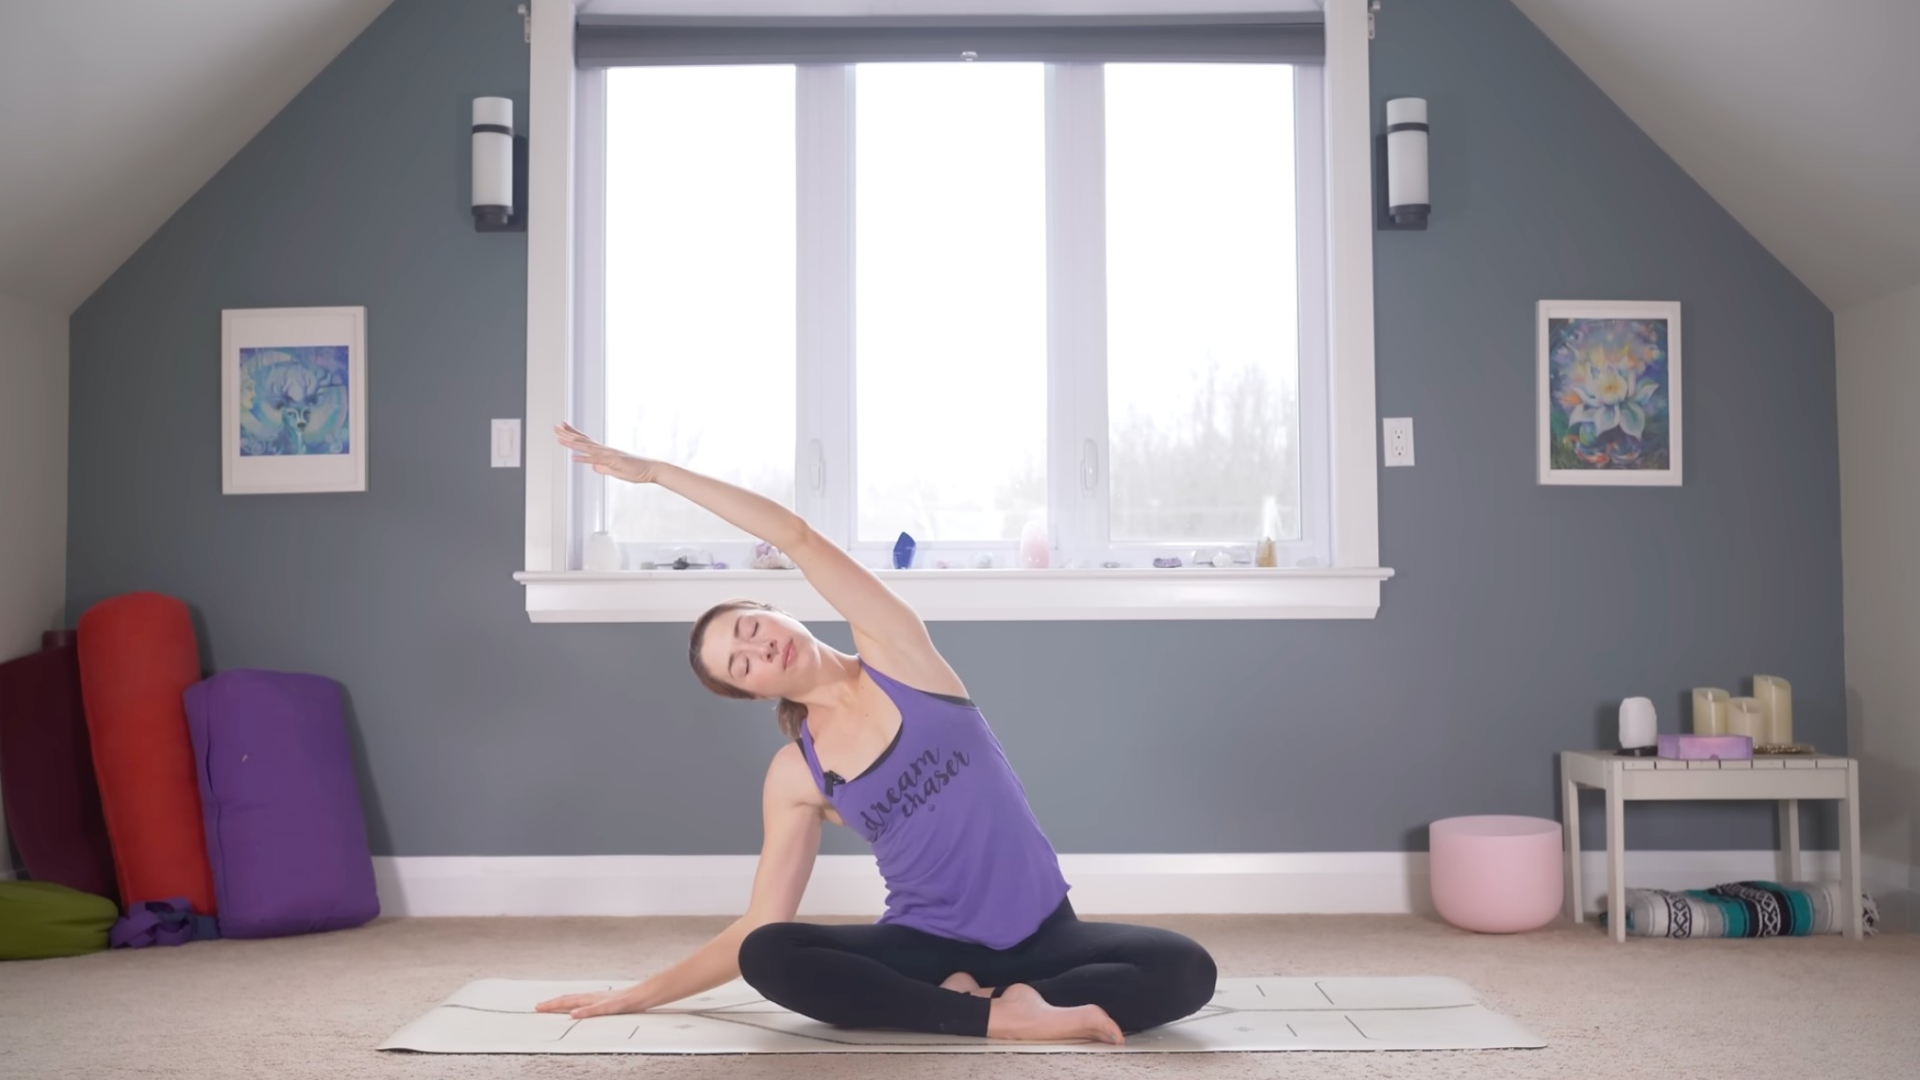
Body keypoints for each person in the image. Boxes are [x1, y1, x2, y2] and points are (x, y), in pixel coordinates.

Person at [534, 423, 1218, 1045]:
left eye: (750, 629)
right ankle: (998, 1015)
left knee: (1186, 969)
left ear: (775, 612)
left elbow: (797, 535)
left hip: (1046, 933)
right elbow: (757, 925)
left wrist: (657, 473)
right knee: (769, 956)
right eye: (739, 665)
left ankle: (1000, 1000)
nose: (758, 650)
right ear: (751, 693)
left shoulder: (898, 654)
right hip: (922, 942)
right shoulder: (796, 775)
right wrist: (638, 994)